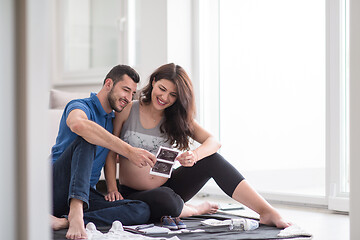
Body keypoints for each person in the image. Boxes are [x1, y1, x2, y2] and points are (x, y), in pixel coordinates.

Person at [104, 63, 291, 228]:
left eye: (172, 95)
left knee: (212, 160)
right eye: (162, 88)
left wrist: (194, 155)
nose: (164, 97)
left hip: (169, 187)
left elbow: (214, 142)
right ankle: (193, 210)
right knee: (166, 200)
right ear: (153, 82)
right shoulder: (129, 109)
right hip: (135, 193)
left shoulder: (175, 119)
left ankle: (266, 211)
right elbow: (111, 151)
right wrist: (112, 188)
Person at [51, 65, 157, 239]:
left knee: (141, 210)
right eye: (125, 90)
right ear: (108, 84)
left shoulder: (112, 120)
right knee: (87, 137)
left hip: (86, 193)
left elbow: (111, 154)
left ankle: (63, 221)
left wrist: (112, 188)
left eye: (132, 94)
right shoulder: (80, 105)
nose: (129, 98)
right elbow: (78, 124)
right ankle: (76, 212)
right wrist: (129, 151)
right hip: (55, 186)